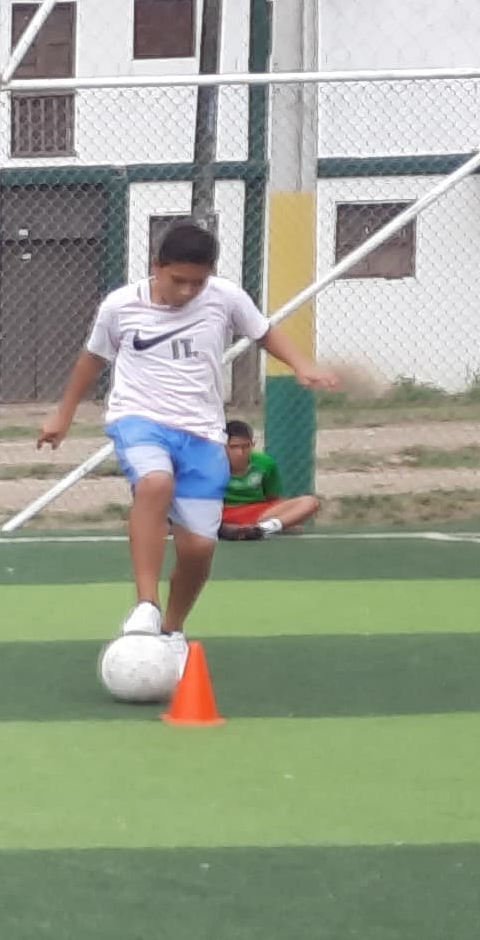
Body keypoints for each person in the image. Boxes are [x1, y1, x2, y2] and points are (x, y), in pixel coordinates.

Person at [35, 219, 334, 648]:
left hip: (203, 433)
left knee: (198, 550)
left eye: (198, 282)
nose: (189, 291)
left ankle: (172, 630)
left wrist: (302, 365)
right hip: (139, 418)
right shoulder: (120, 306)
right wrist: (63, 414)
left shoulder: (226, 298)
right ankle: (146, 605)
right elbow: (92, 358)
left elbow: (264, 332)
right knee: (155, 483)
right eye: (179, 280)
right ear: (156, 266)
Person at [215, 416, 323, 540]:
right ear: (223, 447)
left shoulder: (265, 463)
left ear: (253, 445)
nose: (240, 452)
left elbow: (272, 498)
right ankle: (228, 529)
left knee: (310, 502)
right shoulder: (212, 466)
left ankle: (262, 529)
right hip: (224, 514)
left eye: (246, 446)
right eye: (234, 447)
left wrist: (284, 514)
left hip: (258, 513)